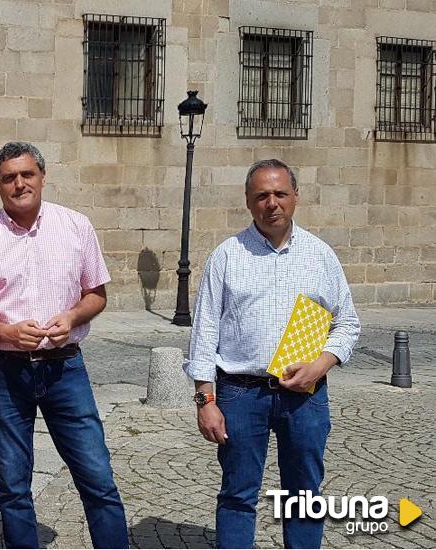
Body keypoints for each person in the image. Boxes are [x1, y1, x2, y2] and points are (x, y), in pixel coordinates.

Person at [0, 141, 129, 549]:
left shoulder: (75, 226)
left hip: (64, 367)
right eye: (8, 178)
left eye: (26, 174)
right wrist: (6, 332)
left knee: (97, 473)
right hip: (5, 369)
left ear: (43, 177)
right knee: (14, 482)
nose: (19, 184)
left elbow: (96, 294)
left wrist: (71, 317)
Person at [185, 159, 361, 549]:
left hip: (306, 398)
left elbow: (347, 324)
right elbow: (204, 334)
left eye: (280, 194)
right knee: (237, 495)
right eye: (261, 195)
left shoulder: (321, 255)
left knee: (303, 496)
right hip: (240, 394)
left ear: (295, 197)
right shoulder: (227, 256)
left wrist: (321, 363)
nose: (272, 203)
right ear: (248, 202)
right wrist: (205, 401)